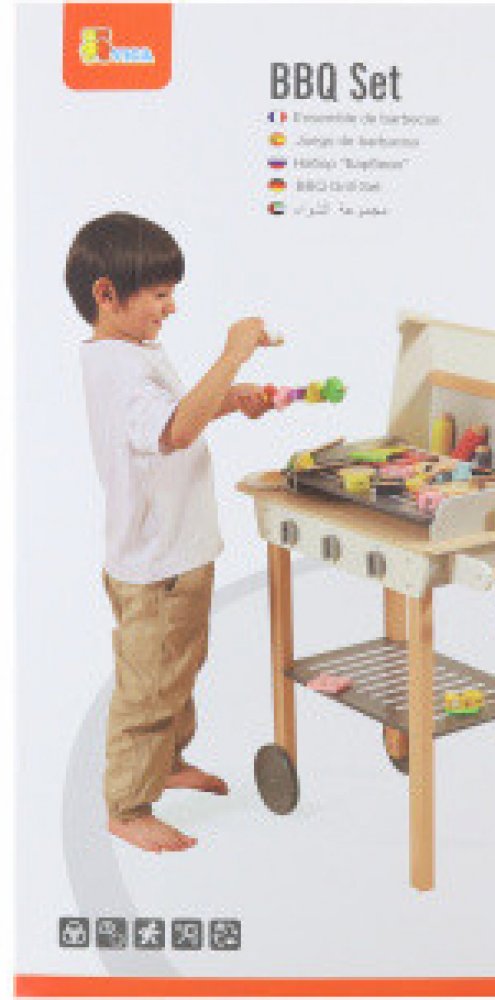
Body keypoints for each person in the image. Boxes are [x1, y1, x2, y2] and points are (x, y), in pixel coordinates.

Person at [66, 211, 277, 853]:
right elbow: (175, 432)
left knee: (178, 669)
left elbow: (177, 415)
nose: (172, 307)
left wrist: (229, 397)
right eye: (159, 294)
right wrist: (233, 353)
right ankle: (128, 807)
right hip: (156, 565)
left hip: (178, 552)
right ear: (107, 294)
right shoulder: (118, 368)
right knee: (149, 687)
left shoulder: (134, 352)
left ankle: (167, 761)